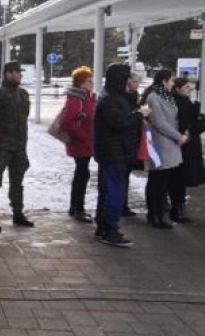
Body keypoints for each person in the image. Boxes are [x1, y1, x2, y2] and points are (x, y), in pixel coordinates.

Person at [93, 63, 148, 247]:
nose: (130, 82)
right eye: (127, 78)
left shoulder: (114, 98)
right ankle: (110, 230)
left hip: (114, 152)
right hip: (114, 153)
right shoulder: (111, 100)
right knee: (113, 192)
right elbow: (119, 123)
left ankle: (103, 228)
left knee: (108, 191)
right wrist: (139, 115)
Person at [0, 61, 33, 229]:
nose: (19, 75)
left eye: (19, 72)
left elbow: (24, 117)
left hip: (19, 147)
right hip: (1, 147)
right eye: (16, 72)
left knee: (17, 182)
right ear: (7, 74)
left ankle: (18, 213)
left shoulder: (23, 94)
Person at [143, 69, 188, 229]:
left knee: (162, 182)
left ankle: (159, 214)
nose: (173, 83)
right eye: (171, 80)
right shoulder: (154, 97)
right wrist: (178, 136)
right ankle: (154, 215)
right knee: (157, 181)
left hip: (168, 144)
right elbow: (159, 122)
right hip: (160, 144)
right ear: (164, 81)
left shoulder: (166, 96)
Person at [60, 66, 96, 223]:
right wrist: (83, 137)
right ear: (80, 83)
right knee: (82, 174)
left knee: (82, 173)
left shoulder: (88, 97)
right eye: (89, 81)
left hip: (86, 142)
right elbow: (67, 122)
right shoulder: (76, 99)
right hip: (80, 143)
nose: (92, 83)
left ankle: (75, 207)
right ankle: (78, 208)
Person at [168, 77, 205, 223]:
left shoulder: (183, 102)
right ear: (177, 88)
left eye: (190, 87)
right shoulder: (180, 104)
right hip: (183, 145)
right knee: (178, 178)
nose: (189, 89)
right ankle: (177, 209)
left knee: (179, 178)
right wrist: (198, 122)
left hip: (185, 145)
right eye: (186, 87)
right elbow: (191, 125)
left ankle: (178, 208)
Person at [120, 72, 142, 217]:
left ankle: (124, 204)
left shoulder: (134, 96)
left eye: (137, 82)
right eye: (134, 81)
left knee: (126, 175)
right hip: (126, 141)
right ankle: (122, 205)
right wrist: (139, 114)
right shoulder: (125, 98)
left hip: (132, 140)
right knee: (122, 175)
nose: (136, 84)